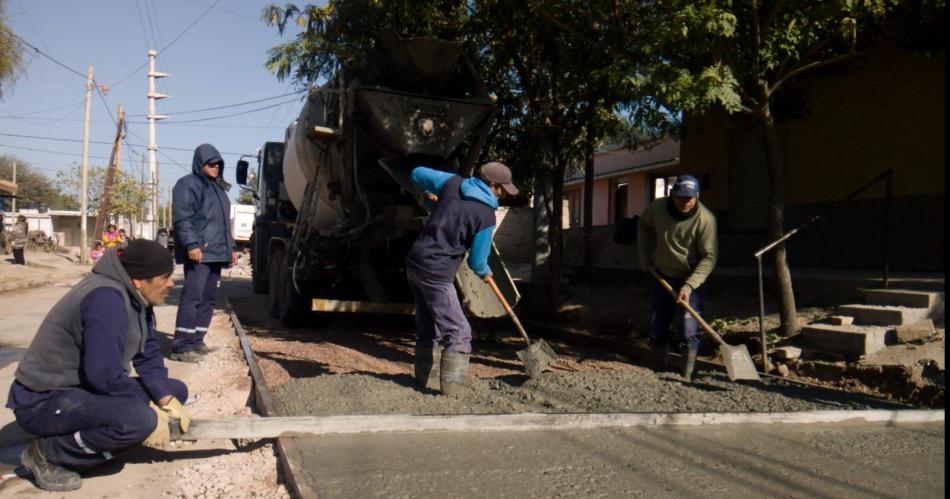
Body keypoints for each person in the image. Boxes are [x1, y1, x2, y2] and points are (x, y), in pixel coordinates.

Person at [7, 239, 191, 492]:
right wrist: (150, 413)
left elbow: (147, 354)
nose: (171, 283)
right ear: (138, 280)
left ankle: (95, 438)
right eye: (165, 276)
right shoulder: (106, 299)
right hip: (44, 400)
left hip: (80, 390)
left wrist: (164, 398)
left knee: (175, 391)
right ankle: (47, 454)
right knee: (139, 421)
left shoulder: (138, 298)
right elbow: (103, 376)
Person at [405, 162, 518, 396]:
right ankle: (453, 391)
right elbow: (477, 262)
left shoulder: (452, 183)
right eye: (503, 189)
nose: (504, 194)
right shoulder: (486, 216)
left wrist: (427, 194)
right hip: (437, 273)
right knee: (459, 332)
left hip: (415, 263)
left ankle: (424, 380)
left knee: (429, 327)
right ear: (493, 185)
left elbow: (416, 173)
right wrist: (485, 272)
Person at [637, 174, 718, 381]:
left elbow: (709, 257)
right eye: (681, 197)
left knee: (688, 328)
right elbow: (643, 226)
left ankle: (687, 375)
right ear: (672, 195)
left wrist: (689, 286)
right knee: (658, 324)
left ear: (697, 196)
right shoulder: (657, 208)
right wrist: (643, 255)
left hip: (692, 279)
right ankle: (659, 370)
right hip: (662, 275)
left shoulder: (705, 220)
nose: (685, 202)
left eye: (690, 197)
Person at [171, 143, 236, 363]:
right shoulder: (188, 185)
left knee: (208, 299)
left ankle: (197, 341)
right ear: (201, 164)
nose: (216, 167)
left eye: (218, 164)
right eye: (211, 164)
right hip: (200, 253)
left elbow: (224, 224)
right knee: (193, 297)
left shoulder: (218, 189)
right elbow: (182, 218)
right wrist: (191, 245)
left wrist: (232, 248)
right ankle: (181, 345)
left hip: (217, 254)